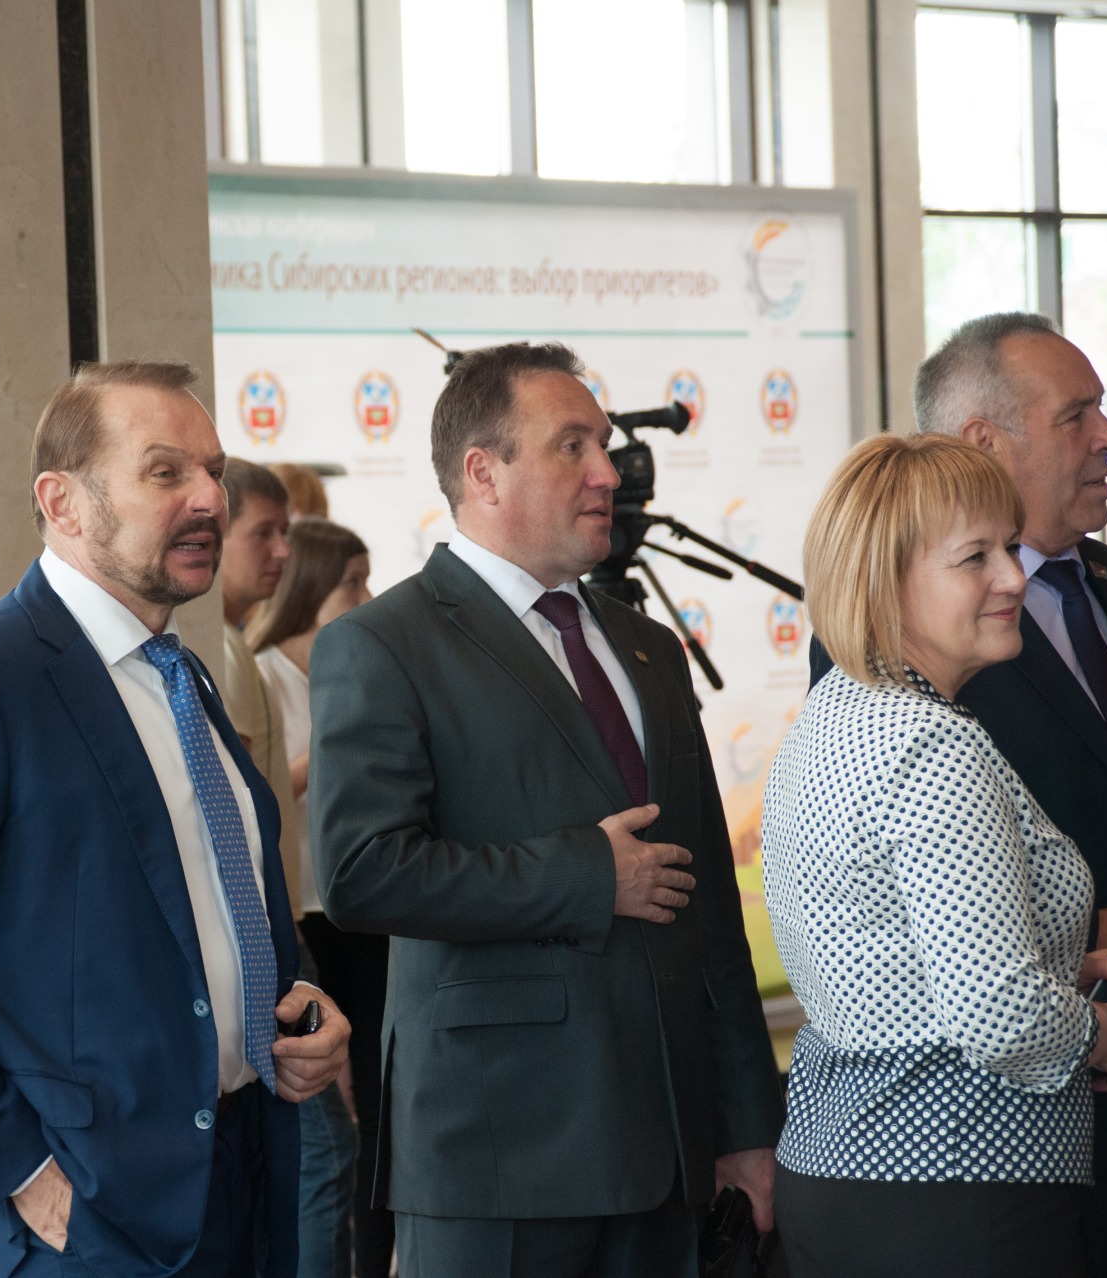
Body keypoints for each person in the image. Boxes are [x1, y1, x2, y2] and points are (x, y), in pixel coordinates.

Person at [0, 360, 351, 1278]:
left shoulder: (183, 674)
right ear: (62, 503)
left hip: (241, 1175)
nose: (208, 499)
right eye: (166, 472)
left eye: (214, 471)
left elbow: (199, 907)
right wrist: (19, 1169)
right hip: (88, 1215)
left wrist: (296, 1009)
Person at [309, 341, 783, 1278]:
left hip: (670, 1151)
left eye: (602, 444)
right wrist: (586, 875)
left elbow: (710, 914)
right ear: (483, 473)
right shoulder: (383, 643)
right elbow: (363, 872)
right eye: (573, 446)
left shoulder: (649, 647)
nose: (607, 472)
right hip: (498, 1154)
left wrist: (745, 1125)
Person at [812, 313, 1107, 1277]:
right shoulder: (917, 723)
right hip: (971, 1165)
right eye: (1076, 415)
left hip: (922, 1163)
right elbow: (993, 1004)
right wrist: (1101, 1021)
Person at [215, 461, 351, 1278]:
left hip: (277, 926)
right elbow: (239, 813)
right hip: (266, 934)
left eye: (285, 533)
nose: (280, 552)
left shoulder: (225, 648)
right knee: (324, 1154)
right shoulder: (224, 657)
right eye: (262, 533)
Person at [249, 518, 392, 1278]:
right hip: (300, 922)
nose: (366, 597)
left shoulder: (358, 672)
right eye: (351, 583)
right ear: (311, 588)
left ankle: (376, 1257)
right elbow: (264, 796)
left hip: (358, 910)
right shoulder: (261, 673)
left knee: (378, 1105)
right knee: (325, 1126)